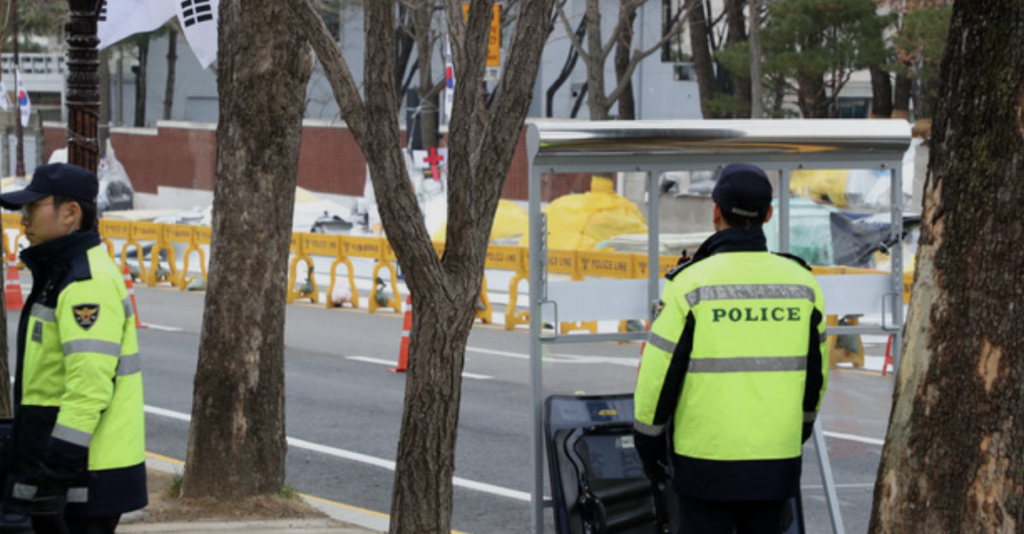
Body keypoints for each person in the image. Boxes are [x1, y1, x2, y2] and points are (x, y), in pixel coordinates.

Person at [633, 163, 828, 534]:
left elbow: (658, 377)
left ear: (715, 211)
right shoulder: (803, 284)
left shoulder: (690, 284)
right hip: (776, 462)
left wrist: (649, 444)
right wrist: (798, 431)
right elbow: (816, 378)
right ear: (768, 215)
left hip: (705, 464)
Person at [0, 163, 146, 534]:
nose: (23, 219)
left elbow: (88, 389)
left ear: (70, 213)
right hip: (67, 473)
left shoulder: (85, 282)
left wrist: (54, 477)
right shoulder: (60, 273)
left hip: (82, 479)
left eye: (33, 207)